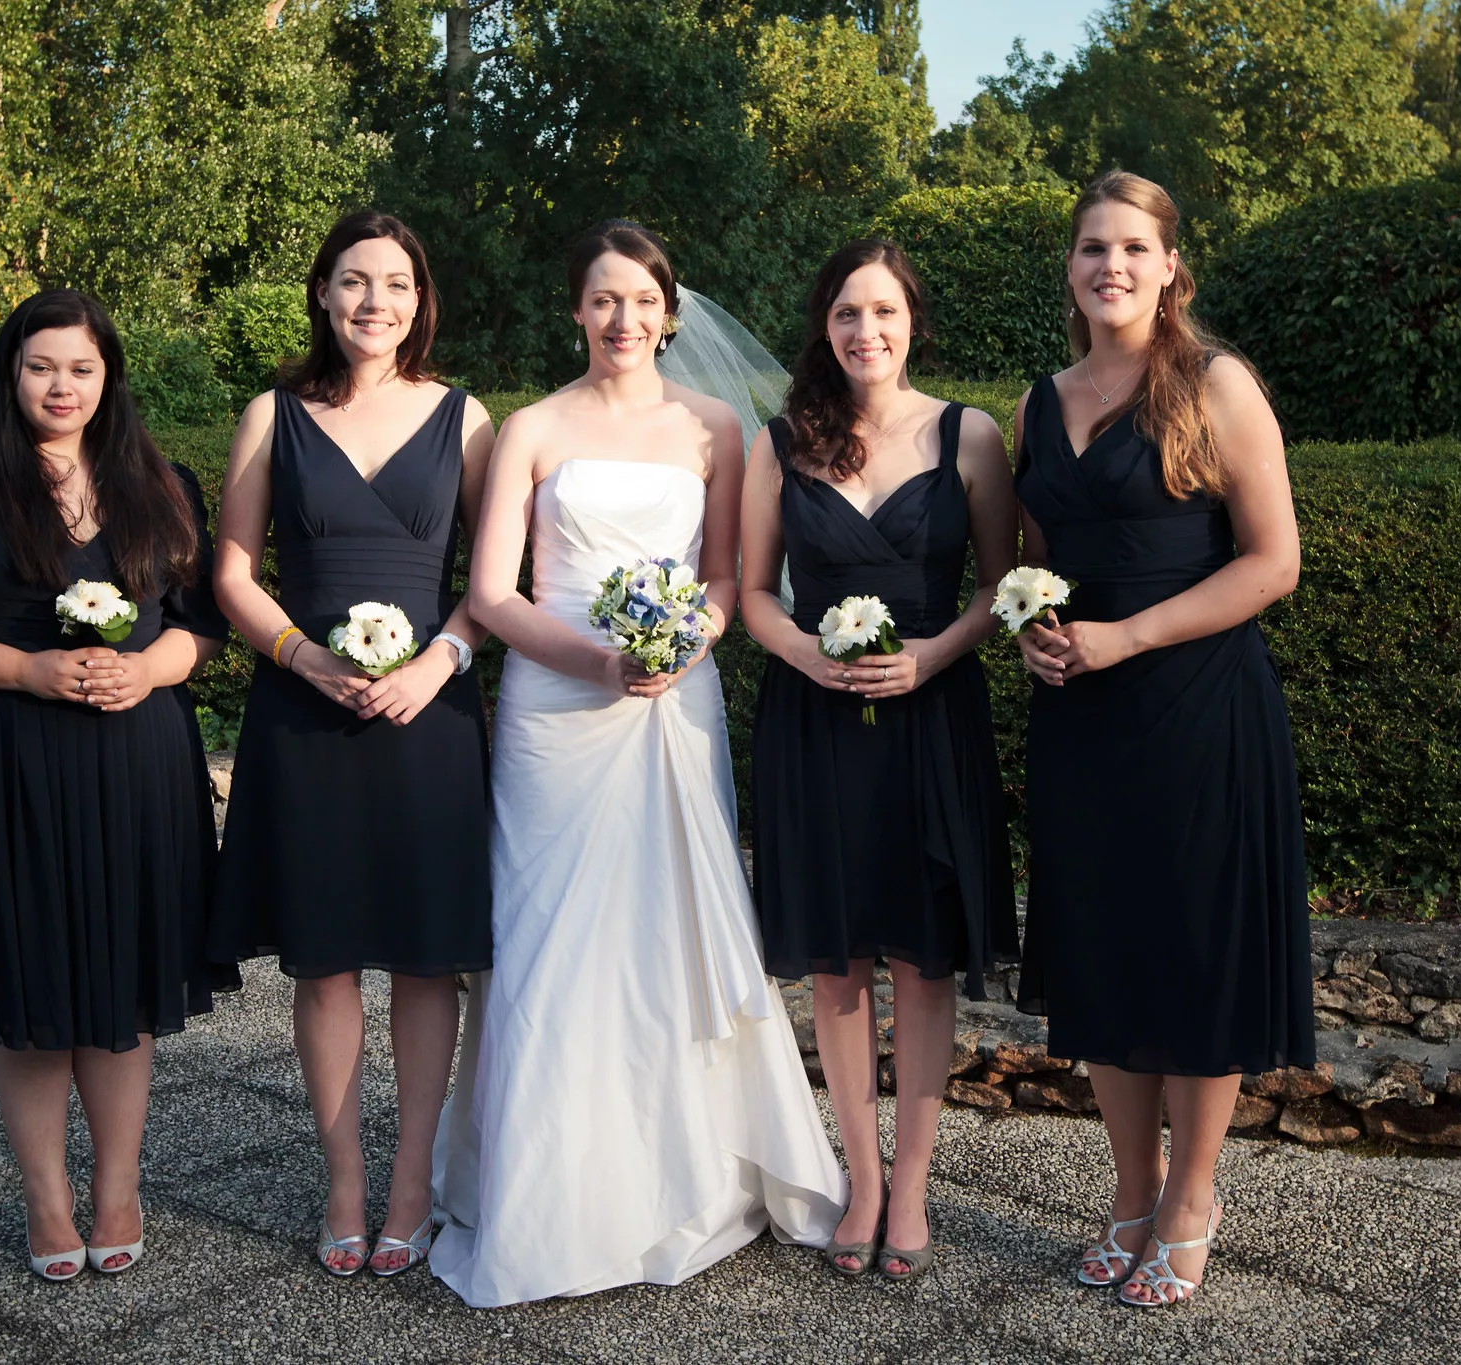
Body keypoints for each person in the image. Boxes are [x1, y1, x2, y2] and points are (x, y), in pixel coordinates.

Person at [430, 220, 847, 1308]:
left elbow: (724, 579)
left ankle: (695, 1175)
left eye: (642, 301)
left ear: (671, 312)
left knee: (669, 925)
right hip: (553, 708)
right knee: (548, 931)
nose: (623, 320)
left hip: (673, 702)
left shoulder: (716, 428)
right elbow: (490, 594)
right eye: (603, 299)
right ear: (576, 309)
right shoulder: (529, 428)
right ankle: (543, 1196)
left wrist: (671, 652)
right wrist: (596, 659)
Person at [0, 288, 233, 1281]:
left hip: (134, 764)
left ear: (107, 376)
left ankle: (119, 1187)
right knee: (23, 984)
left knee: (121, 983)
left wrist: (149, 668)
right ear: (9, 374)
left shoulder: (164, 483)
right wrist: (27, 669)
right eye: (40, 367)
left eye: (80, 368)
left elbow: (200, 627)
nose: (60, 386)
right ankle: (46, 1198)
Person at [1012, 171, 1312, 1307]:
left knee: (1191, 954)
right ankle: (1128, 1191)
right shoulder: (1040, 404)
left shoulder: (1216, 384)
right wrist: (1038, 629)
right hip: (1081, 715)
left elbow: (1271, 562)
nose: (1112, 267)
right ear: (1072, 266)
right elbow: (1041, 556)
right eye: (1093, 247)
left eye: (1134, 247)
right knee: (1102, 952)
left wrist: (1128, 635)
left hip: (1196, 709)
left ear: (1170, 264)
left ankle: (1192, 1198)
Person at [207, 210, 495, 1278]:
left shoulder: (468, 422)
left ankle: (412, 1180)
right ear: (322, 294)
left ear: (421, 302)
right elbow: (232, 572)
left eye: (397, 286)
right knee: (322, 960)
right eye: (354, 282)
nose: (375, 303)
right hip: (306, 715)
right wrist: (298, 656)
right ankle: (341, 1179)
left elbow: (495, 580)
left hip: (430, 717)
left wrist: (438, 664)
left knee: (427, 962)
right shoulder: (269, 415)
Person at [740, 239, 1019, 1282]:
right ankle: (861, 1173)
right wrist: (813, 657)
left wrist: (933, 655)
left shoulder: (971, 436)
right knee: (837, 958)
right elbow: (752, 594)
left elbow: (1002, 584)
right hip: (812, 721)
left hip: (931, 720)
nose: (866, 332)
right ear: (825, 325)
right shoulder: (781, 445)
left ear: (913, 322)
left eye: (885, 313)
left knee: (922, 953)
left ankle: (914, 1184)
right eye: (847, 314)